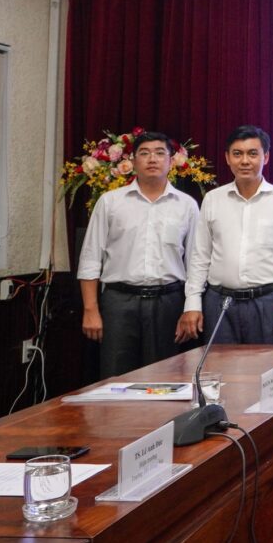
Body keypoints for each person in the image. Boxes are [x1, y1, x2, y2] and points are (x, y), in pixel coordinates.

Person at [76, 131, 199, 377]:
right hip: (120, 302)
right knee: (116, 377)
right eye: (144, 153)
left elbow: (195, 262)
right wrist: (90, 309)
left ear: (171, 160)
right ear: (132, 160)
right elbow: (90, 258)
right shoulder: (110, 202)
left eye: (159, 153)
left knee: (167, 379)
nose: (152, 159)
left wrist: (190, 308)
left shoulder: (187, 205)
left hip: (169, 302)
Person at [176, 125, 273, 345]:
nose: (245, 161)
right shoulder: (213, 199)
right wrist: (192, 303)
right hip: (220, 302)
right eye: (237, 154)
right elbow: (200, 256)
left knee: (267, 374)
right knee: (221, 373)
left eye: (253, 154)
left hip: (269, 301)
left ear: (266, 157)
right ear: (227, 158)